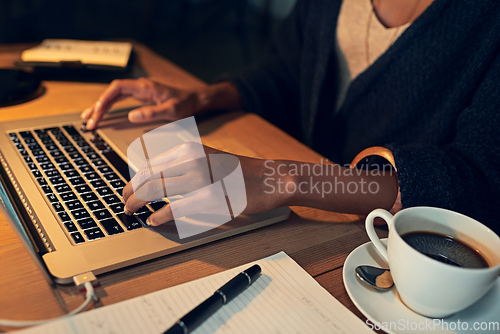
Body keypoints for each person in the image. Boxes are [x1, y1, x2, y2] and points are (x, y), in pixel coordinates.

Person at [81, 0, 500, 234]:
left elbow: (479, 183)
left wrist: (286, 178)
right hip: (303, 222)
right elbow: (290, 68)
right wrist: (205, 97)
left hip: (386, 249)